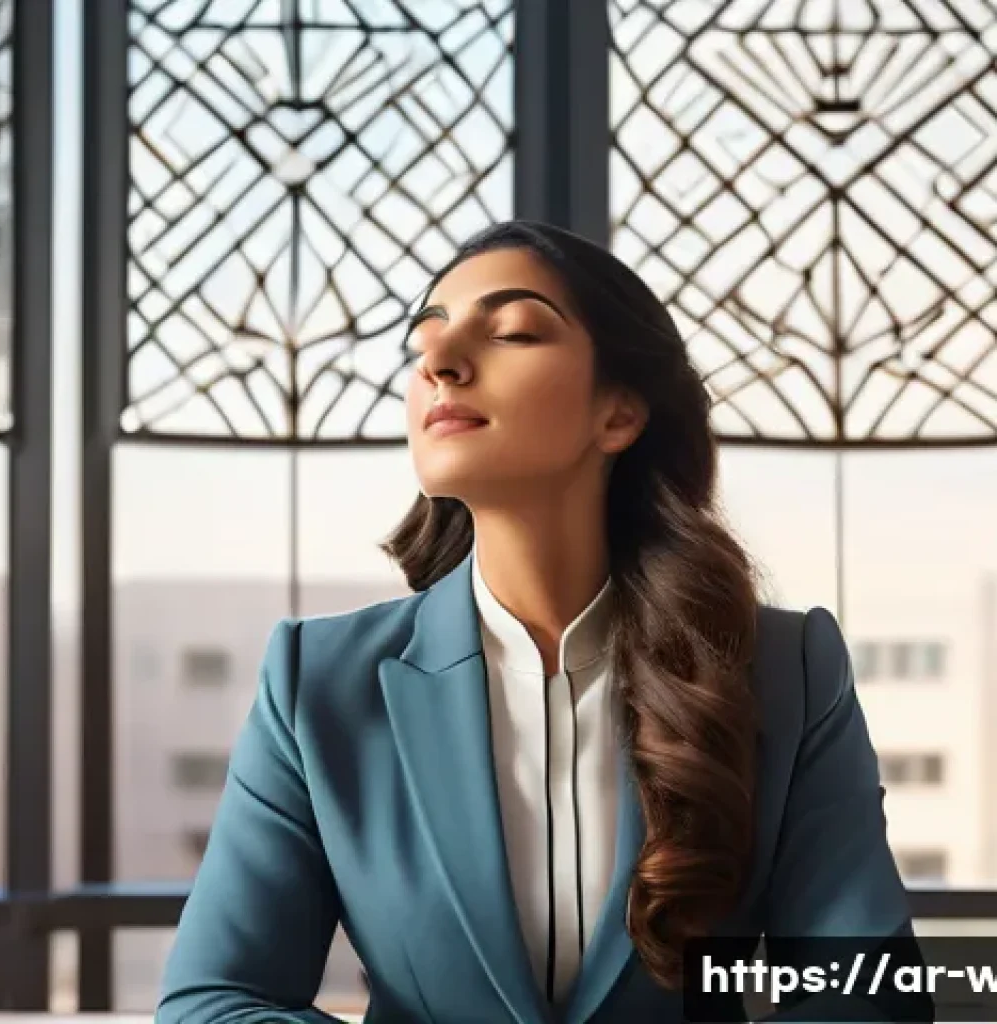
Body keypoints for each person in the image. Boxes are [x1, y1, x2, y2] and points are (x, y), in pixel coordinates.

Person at [156, 221, 931, 1023]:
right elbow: (213, 1001)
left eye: (515, 331)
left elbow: (869, 1000)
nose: (440, 362)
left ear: (619, 415)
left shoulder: (786, 669)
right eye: (424, 340)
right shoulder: (317, 682)